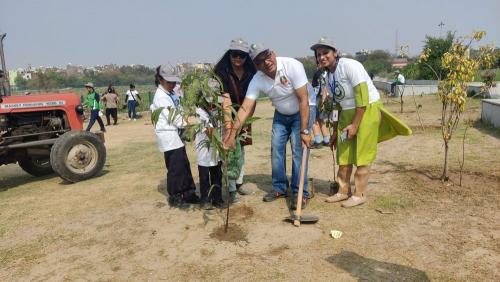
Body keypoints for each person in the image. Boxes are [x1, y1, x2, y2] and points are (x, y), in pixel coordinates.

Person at [310, 37, 411, 207]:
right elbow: (335, 105)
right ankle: (343, 191)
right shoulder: (329, 75)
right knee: (344, 152)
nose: (321, 57)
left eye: (325, 52)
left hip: (366, 110)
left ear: (335, 53)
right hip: (345, 113)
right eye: (318, 54)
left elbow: (362, 98)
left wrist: (355, 125)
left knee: (363, 153)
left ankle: (359, 194)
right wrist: (335, 131)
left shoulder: (350, 66)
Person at [224, 44, 311, 210]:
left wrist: (305, 130)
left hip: (302, 112)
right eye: (260, 60)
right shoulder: (257, 79)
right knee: (276, 149)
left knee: (297, 151)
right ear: (256, 65)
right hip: (281, 114)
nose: (266, 62)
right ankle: (279, 188)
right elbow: (245, 108)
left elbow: (304, 100)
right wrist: (231, 135)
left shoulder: (293, 66)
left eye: (267, 55)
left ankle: (301, 193)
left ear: (273, 53)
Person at [214, 38, 257, 203]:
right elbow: (225, 101)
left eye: (242, 55)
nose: (238, 58)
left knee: (242, 150)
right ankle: (231, 189)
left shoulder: (252, 75)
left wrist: (246, 120)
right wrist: (229, 128)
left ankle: (239, 182)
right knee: (230, 150)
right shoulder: (222, 73)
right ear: (229, 54)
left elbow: (251, 101)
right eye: (234, 54)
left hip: (245, 116)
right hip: (228, 116)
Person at [150, 65, 199, 208]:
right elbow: (174, 117)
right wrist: (190, 127)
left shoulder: (170, 93)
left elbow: (180, 109)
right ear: (160, 79)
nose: (172, 84)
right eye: (169, 81)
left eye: (174, 81)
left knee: (184, 164)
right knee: (175, 168)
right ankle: (175, 196)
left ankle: (189, 193)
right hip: (169, 136)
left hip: (176, 134)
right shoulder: (161, 96)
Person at [194, 97, 225, 210]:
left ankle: (217, 198)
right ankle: (205, 199)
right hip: (205, 150)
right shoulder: (199, 111)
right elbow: (208, 131)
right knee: (204, 176)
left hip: (217, 150)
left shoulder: (220, 110)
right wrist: (222, 145)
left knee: (217, 174)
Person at [311, 69, 332, 148]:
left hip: (317, 99)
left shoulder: (320, 73)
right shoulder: (327, 73)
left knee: (314, 120)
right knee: (321, 120)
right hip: (322, 99)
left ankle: (318, 140)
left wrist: (323, 100)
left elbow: (323, 88)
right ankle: (326, 140)